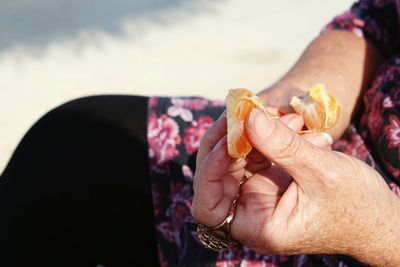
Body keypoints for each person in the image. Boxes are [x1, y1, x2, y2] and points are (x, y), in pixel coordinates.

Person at [1, 0, 400, 266]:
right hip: (340, 145)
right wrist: (291, 103)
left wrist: (376, 228)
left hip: (375, 228)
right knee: (69, 146)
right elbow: (375, 22)